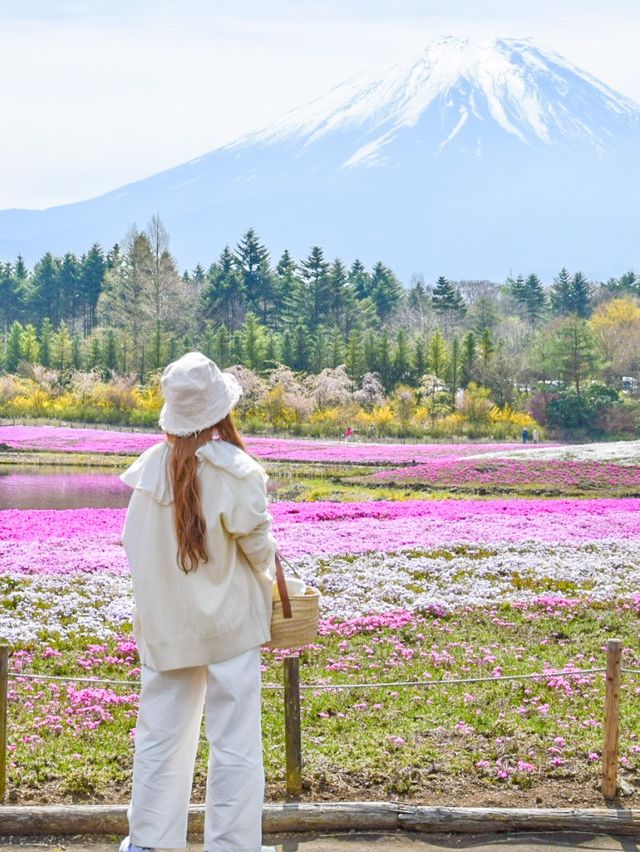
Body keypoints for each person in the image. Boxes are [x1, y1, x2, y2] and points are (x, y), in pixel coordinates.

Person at [118, 352, 277, 852]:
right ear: (219, 413)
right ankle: (232, 847)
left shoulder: (148, 472)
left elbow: (134, 545)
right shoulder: (235, 471)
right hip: (230, 625)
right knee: (235, 743)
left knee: (161, 737)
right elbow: (259, 550)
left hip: (168, 624)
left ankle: (148, 843)